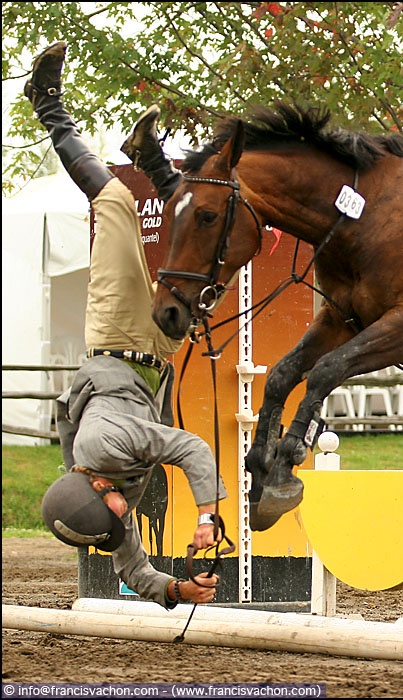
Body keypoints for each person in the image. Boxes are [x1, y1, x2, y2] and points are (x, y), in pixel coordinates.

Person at [26, 40, 228, 609]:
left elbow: (190, 448)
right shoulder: (102, 487)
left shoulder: (106, 448)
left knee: (113, 200)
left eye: (114, 517)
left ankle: (47, 106)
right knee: (210, 260)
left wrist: (208, 518)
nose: (124, 520)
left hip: (115, 333)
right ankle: (153, 159)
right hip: (156, 352)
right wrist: (179, 590)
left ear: (95, 485)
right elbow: (130, 562)